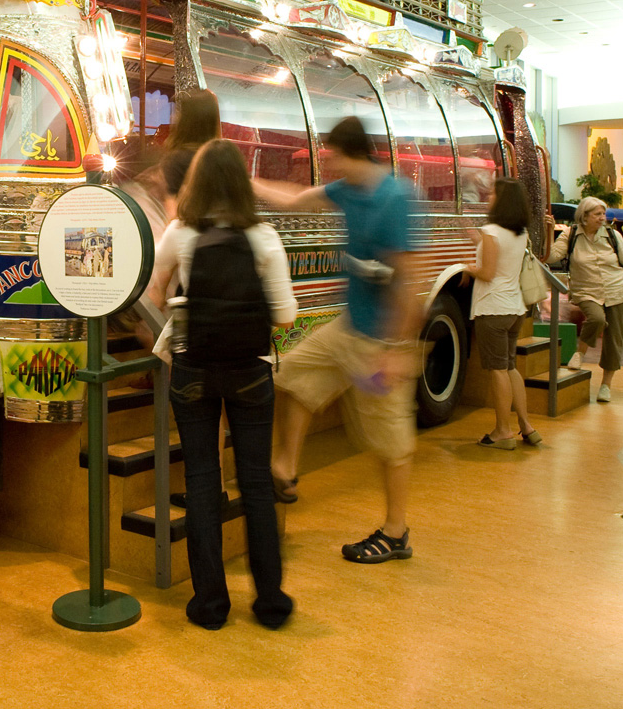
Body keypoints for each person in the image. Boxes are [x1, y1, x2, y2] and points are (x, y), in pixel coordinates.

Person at [254, 117, 425, 565]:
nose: (324, 161)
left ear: (347, 152)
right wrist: (244, 180)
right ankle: (286, 470)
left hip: (381, 341)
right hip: (348, 329)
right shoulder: (346, 190)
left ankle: (396, 531)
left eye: (329, 153)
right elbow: (295, 200)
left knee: (390, 443)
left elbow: (410, 281)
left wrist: (400, 350)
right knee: (292, 375)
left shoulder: (394, 199)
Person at [149, 139, 296, 629]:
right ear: (240, 183)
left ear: (197, 182)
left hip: (193, 372)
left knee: (202, 482)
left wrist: (184, 316)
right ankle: (270, 601)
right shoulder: (264, 238)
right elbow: (285, 316)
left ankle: (210, 605)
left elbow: (154, 291)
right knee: (255, 483)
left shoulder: (180, 231)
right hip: (251, 373)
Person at [461, 179, 541, 449]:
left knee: (497, 371)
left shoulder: (491, 230)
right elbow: (499, 254)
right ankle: (526, 426)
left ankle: (502, 431)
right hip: (515, 308)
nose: (489, 196)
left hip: (493, 309)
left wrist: (464, 266)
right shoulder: (520, 233)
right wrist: (477, 240)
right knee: (509, 368)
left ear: (502, 200)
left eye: (493, 193)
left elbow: (486, 273)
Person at [548, 197, 623, 402]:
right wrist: (548, 232)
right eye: (597, 214)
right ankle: (580, 351)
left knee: (614, 339)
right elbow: (551, 256)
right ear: (584, 217)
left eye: (603, 214)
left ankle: (606, 385)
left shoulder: (613, 236)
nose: (602, 218)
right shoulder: (570, 236)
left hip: (617, 289)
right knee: (596, 318)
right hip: (587, 290)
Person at [160, 89, 222, 208]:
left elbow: (173, 208)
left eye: (178, 112)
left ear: (187, 120)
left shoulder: (176, 159)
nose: (173, 117)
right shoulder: (224, 155)